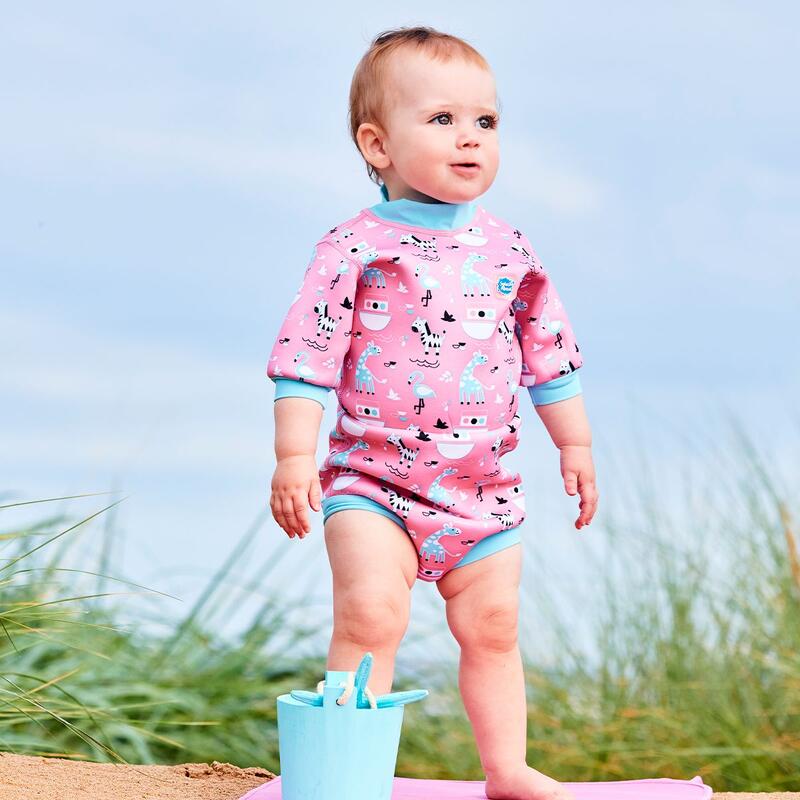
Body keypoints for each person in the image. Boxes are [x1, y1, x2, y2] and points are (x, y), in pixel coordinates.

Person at [266, 25, 598, 800]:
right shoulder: (354, 246)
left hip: (484, 491)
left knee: (493, 629)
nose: (470, 139)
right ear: (376, 144)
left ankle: (506, 770)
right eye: (442, 120)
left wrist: (574, 446)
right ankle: (346, 780)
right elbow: (307, 354)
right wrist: (291, 456)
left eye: (485, 121)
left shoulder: (511, 249)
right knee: (372, 614)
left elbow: (550, 352)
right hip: (372, 482)